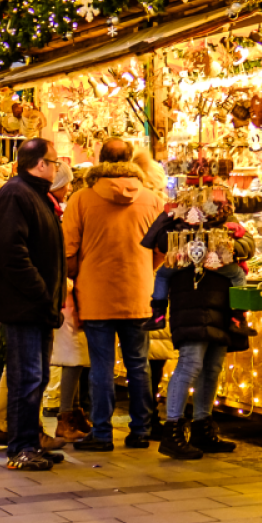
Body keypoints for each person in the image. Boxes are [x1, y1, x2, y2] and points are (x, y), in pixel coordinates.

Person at [63, 139, 163, 453]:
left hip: (95, 295)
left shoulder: (81, 200)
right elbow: (163, 249)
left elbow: (68, 251)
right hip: (139, 293)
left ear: (99, 161)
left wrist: (80, 275)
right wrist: (146, 269)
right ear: (131, 161)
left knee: (101, 367)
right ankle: (141, 431)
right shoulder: (152, 200)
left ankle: (103, 434)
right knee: (139, 366)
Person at [144, 187, 255, 461]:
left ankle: (202, 426)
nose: (217, 207)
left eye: (221, 203)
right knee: (191, 363)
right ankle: (172, 429)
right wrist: (194, 246)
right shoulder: (174, 223)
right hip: (190, 303)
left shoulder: (230, 225)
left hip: (221, 305)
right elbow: (160, 245)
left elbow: (248, 246)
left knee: (213, 366)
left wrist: (222, 248)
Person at [0, 138, 64, 470]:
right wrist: (41, 292)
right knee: (26, 377)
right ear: (40, 163)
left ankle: (30, 440)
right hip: (25, 305)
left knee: (38, 376)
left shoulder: (35, 194)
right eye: (55, 161)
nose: (58, 167)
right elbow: (11, 253)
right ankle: (20, 447)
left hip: (38, 305)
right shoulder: (16, 194)